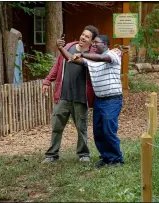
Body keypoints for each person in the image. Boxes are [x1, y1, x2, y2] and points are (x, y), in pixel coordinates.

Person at [56, 35, 124, 168]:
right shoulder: (92, 60)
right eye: (92, 43)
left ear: (104, 44)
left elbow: (101, 58)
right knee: (98, 131)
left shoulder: (112, 55)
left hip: (112, 100)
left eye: (96, 43)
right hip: (99, 100)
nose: (93, 45)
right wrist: (60, 48)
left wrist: (81, 53)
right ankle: (106, 158)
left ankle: (116, 159)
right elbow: (71, 59)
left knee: (108, 130)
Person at [41, 25, 99, 163]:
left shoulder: (92, 55)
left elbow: (76, 61)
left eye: (87, 37)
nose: (83, 37)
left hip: (80, 98)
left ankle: (83, 154)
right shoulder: (69, 47)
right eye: (83, 34)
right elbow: (57, 66)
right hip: (63, 96)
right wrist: (47, 81)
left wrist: (60, 48)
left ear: (92, 41)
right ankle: (52, 155)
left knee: (81, 128)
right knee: (56, 126)